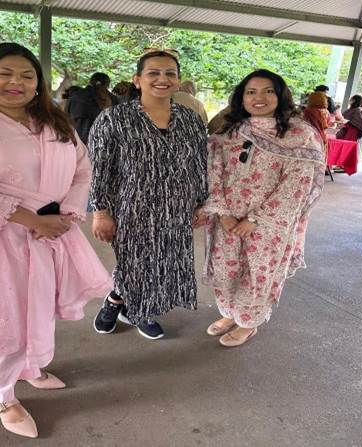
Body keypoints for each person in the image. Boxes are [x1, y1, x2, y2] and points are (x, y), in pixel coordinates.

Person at [0, 42, 111, 438]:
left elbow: (82, 168)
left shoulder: (53, 121)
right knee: (3, 314)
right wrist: (32, 220)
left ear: (38, 83)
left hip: (49, 231)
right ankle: (2, 394)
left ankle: (29, 366)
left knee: (39, 304)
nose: (17, 82)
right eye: (5, 73)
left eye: (27, 76)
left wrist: (68, 214)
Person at [199, 69, 325, 347]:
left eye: (268, 91)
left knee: (257, 272)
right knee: (225, 269)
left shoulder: (300, 134)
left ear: (280, 96)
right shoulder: (230, 129)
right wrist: (222, 211)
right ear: (241, 97)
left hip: (269, 223)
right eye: (251, 92)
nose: (259, 98)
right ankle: (231, 313)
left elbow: (297, 184)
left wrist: (256, 219)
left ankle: (248, 322)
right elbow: (213, 169)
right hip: (228, 219)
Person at [88, 49, 208, 340]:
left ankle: (119, 301)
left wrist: (201, 202)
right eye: (153, 73)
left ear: (178, 81)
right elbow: (98, 167)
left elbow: (200, 163)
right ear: (138, 79)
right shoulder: (113, 119)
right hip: (130, 206)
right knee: (136, 260)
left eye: (170, 73)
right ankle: (140, 310)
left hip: (177, 206)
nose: (162, 79)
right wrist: (100, 212)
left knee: (164, 259)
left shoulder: (190, 120)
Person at [65, 72, 118, 144]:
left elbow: (66, 117)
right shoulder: (112, 99)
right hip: (102, 143)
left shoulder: (75, 96)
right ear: (107, 84)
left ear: (91, 81)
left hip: (76, 142)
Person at [337, 94, 362, 162]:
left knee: (347, 148)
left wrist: (346, 123)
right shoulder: (352, 109)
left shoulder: (358, 110)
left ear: (354, 100)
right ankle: (341, 164)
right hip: (345, 131)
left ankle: (344, 165)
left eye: (351, 99)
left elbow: (358, 123)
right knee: (344, 148)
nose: (350, 100)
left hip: (351, 133)